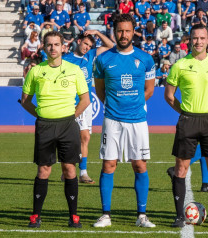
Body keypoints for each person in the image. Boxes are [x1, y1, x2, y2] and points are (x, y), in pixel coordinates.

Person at [164, 24, 208, 228]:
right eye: (195, 38)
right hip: (188, 120)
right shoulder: (179, 65)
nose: (198, 42)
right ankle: (179, 216)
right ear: (189, 40)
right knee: (181, 168)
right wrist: (184, 113)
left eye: (202, 38)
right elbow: (169, 96)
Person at [92, 13, 156, 228]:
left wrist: (134, 103)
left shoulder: (146, 58)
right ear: (114, 31)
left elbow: (149, 90)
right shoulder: (103, 59)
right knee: (109, 164)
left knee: (139, 165)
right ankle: (106, 215)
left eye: (128, 30)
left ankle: (142, 215)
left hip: (138, 120)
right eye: (120, 30)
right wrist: (115, 104)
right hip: (112, 119)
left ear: (133, 32)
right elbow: (100, 90)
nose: (124, 34)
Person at [21, 31, 90, 228]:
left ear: (63, 47)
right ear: (43, 47)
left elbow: (85, 99)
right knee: (44, 169)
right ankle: (36, 215)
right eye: (49, 44)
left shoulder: (74, 69)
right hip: (45, 126)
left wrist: (71, 116)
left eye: (56, 44)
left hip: (68, 125)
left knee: (69, 169)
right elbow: (25, 101)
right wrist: (42, 116)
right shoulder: (36, 71)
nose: (53, 48)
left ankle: (73, 215)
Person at [62, 30, 114, 184]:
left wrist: (97, 32)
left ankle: (83, 173)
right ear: (78, 41)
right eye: (85, 43)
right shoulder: (66, 59)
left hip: (85, 102)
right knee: (69, 140)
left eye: (89, 45)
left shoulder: (91, 55)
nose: (87, 47)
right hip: (69, 102)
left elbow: (111, 47)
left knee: (85, 137)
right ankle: (66, 170)